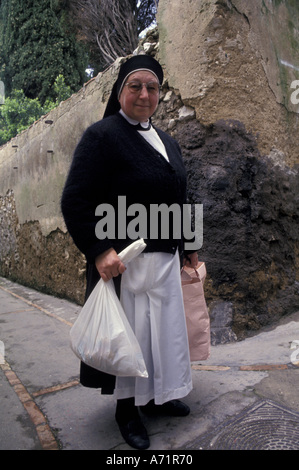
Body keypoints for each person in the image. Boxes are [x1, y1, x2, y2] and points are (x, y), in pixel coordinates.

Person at [61, 54, 198, 450]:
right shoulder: (101, 137)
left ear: (159, 94)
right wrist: (100, 250)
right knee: (131, 337)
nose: (144, 94)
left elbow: (181, 197)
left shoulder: (167, 140)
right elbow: (75, 200)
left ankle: (161, 394)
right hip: (126, 264)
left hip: (166, 259)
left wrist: (190, 245)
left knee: (165, 332)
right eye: (135, 86)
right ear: (120, 91)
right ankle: (126, 409)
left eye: (152, 87)